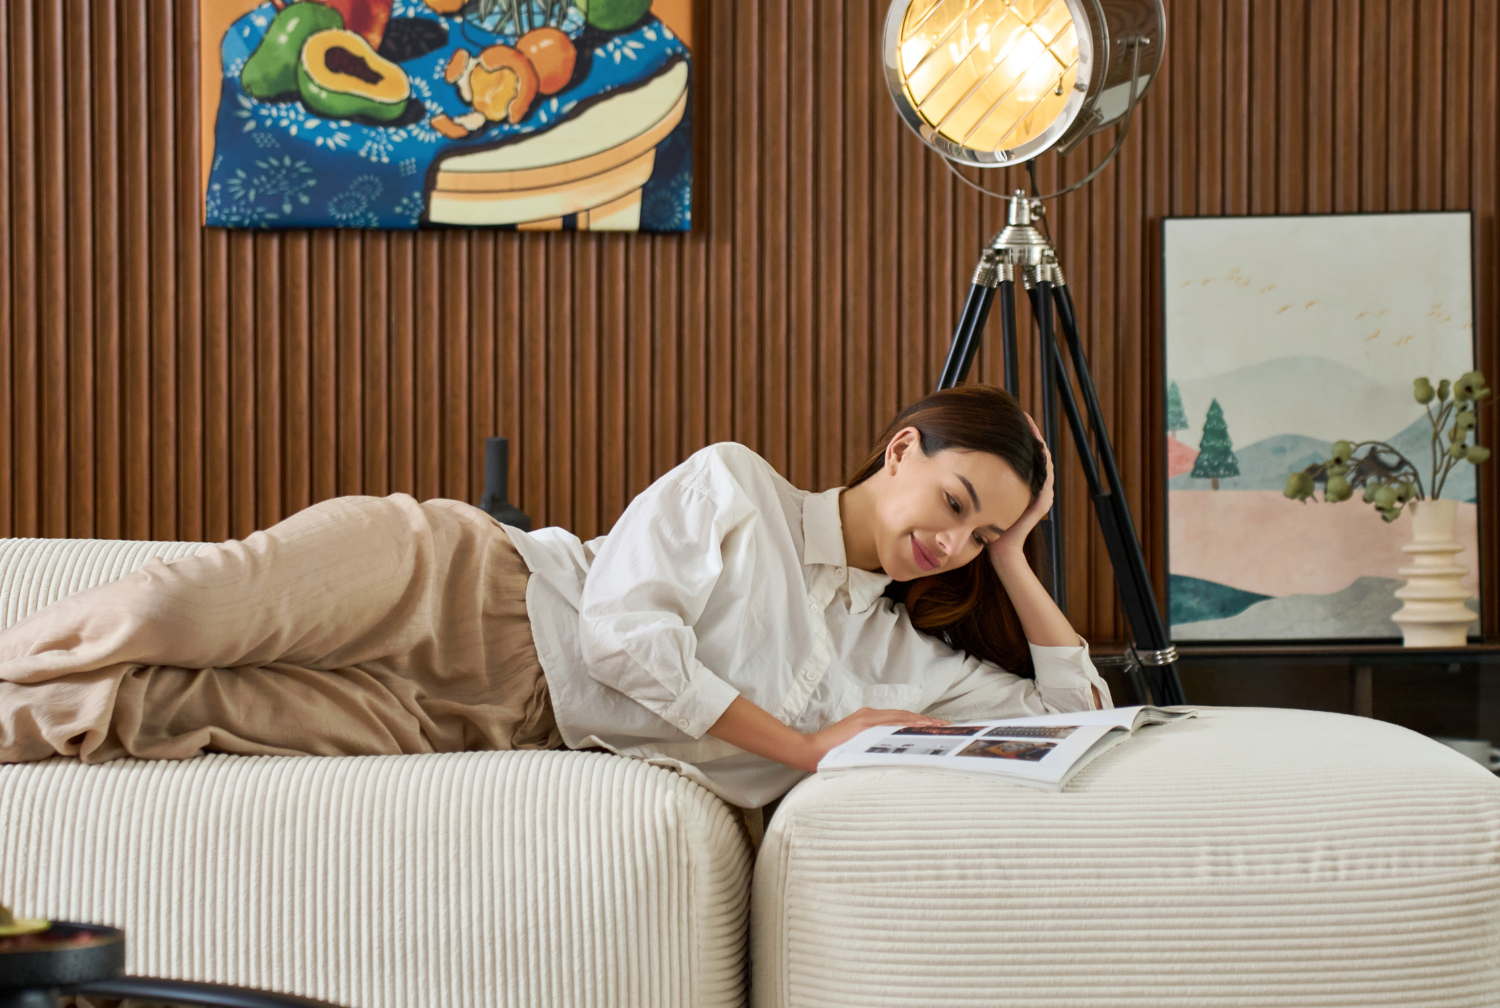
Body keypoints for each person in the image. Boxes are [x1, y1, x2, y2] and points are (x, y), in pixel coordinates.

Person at [0, 385, 1107, 809]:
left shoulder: (894, 653)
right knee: (165, 618)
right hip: (460, 581)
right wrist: (806, 750)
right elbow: (627, 642)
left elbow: (1070, 724)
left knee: (155, 717)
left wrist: (1018, 563)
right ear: (901, 449)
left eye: (984, 534)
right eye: (956, 502)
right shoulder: (738, 484)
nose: (950, 540)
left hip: (492, 721)